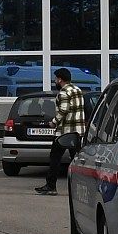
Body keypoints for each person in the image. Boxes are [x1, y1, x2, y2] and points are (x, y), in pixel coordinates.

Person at [36, 68, 88, 196]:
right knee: (77, 160)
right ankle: (83, 187)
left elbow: (64, 109)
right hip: (78, 132)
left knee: (55, 158)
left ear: (60, 79)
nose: (55, 81)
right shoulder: (78, 90)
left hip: (64, 132)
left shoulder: (63, 92)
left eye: (55, 79)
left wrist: (54, 121)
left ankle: (51, 186)